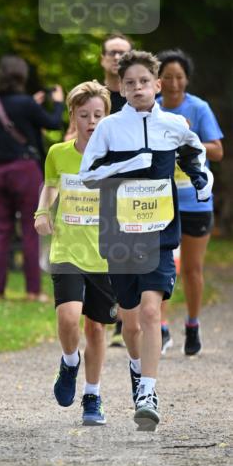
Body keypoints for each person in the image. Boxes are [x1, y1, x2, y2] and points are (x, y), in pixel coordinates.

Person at [79, 50, 212, 431]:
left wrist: (200, 179)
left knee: (153, 311)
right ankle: (139, 371)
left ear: (157, 85)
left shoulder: (172, 123)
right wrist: (128, 165)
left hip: (159, 232)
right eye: (130, 83)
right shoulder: (108, 129)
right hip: (119, 233)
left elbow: (193, 152)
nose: (138, 88)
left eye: (144, 82)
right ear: (121, 88)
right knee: (130, 317)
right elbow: (89, 174)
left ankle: (149, 393)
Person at [34, 80, 116, 426]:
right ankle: (69, 362)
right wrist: (42, 213)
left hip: (105, 254)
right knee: (69, 318)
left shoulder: (118, 157)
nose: (92, 121)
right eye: (84, 114)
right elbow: (50, 186)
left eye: (98, 114)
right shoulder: (58, 153)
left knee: (96, 329)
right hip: (67, 248)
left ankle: (93, 396)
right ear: (73, 115)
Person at [156, 49, 224, 356]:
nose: (173, 84)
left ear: (187, 80)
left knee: (192, 269)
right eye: (167, 77)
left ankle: (193, 324)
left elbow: (218, 151)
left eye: (179, 77)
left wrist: (188, 139)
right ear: (158, 80)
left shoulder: (198, 108)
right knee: (161, 266)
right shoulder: (151, 109)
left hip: (195, 200)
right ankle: (161, 327)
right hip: (159, 200)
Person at [0, 55, 64, 302]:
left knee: (1, 230)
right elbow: (53, 123)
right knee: (30, 229)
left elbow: (12, 123)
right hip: (25, 170)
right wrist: (58, 103)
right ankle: (33, 291)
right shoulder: (26, 104)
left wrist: (33, 104)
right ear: (22, 77)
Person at [100, 31, 133, 346]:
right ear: (102, 59)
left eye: (123, 53)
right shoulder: (94, 96)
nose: (117, 58)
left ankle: (124, 321)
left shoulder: (139, 94)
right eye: (112, 52)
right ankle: (106, 314)